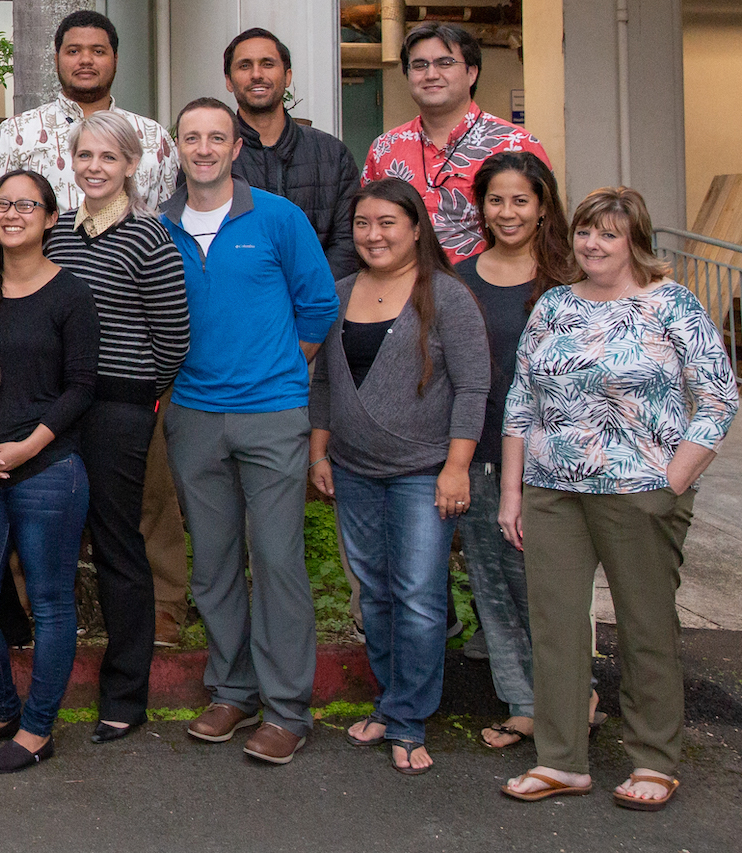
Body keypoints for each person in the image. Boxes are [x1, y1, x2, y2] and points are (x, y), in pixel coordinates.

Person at [499, 187, 738, 811]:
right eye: (585, 231)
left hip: (641, 493)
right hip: (552, 489)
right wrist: (511, 494)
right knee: (555, 627)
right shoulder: (554, 303)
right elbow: (521, 399)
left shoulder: (671, 303)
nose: (592, 244)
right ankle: (560, 760)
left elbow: (719, 397)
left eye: (608, 233)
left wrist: (672, 479)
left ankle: (654, 759)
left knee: (645, 626)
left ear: (636, 241)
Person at [157, 98, 339, 765]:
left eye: (216, 137)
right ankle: (232, 691)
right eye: (191, 137)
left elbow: (318, 303)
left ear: (236, 147)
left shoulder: (278, 218)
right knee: (213, 564)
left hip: (272, 413)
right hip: (193, 414)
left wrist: (282, 367)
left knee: (279, 560)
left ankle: (288, 709)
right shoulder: (159, 227)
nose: (204, 148)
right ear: (177, 148)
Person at [307, 178, 490, 775]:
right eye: (363, 223)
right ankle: (390, 702)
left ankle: (410, 719)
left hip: (423, 472)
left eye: (388, 222)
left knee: (418, 596)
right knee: (376, 593)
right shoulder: (338, 293)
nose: (374, 234)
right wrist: (319, 454)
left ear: (416, 228)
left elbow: (473, 388)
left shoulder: (446, 296)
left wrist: (456, 468)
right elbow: (324, 382)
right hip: (353, 470)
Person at [0, 169, 100, 774]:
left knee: (51, 604)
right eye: (2, 204)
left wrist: (26, 447)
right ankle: (3, 708)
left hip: (47, 469)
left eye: (26, 205)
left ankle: (37, 728)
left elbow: (81, 387)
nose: (12, 214)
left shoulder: (71, 293)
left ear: (51, 218)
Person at [43, 113, 189, 743]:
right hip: (57, 410)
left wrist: (132, 395)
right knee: (49, 538)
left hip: (118, 410)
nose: (95, 167)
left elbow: (173, 339)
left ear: (132, 165)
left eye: (109, 157)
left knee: (117, 546)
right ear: (71, 162)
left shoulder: (150, 237)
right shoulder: (55, 236)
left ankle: (126, 697)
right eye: (85, 155)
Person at [453, 152, 577, 751]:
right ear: (481, 207)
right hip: (479, 451)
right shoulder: (460, 279)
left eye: (520, 200)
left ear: (543, 206)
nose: (507, 212)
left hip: (554, 458)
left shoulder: (571, 276)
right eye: (496, 200)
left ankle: (573, 696)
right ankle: (524, 704)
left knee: (544, 588)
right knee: (492, 586)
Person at [363, 20, 549, 261]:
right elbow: (366, 223)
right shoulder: (385, 148)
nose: (431, 74)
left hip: (490, 281)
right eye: (419, 65)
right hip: (403, 282)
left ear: (472, 73)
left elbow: (549, 229)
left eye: (445, 63)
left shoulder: (516, 144)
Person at [0, 10, 178, 211]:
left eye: (98, 51)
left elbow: (169, 221)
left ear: (115, 60)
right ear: (56, 60)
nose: (86, 60)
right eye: (73, 51)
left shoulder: (154, 138)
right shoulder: (16, 133)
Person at [227, 28, 360, 279]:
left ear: (287, 76)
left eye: (267, 64)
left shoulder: (332, 154)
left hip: (318, 298)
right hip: (238, 299)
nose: (256, 74)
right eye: (245, 66)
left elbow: (347, 242)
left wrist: (312, 293)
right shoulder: (212, 159)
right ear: (229, 80)